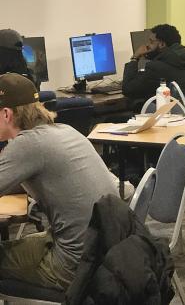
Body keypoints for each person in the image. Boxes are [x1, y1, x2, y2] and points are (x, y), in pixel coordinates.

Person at [0, 73, 118, 291]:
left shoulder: (27, 145)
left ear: (6, 114)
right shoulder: (64, 131)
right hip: (107, 252)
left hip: (74, 266)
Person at [122, 24, 185, 108]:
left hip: (169, 115)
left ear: (162, 44)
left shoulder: (155, 67)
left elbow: (128, 89)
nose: (147, 45)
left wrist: (135, 58)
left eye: (151, 42)